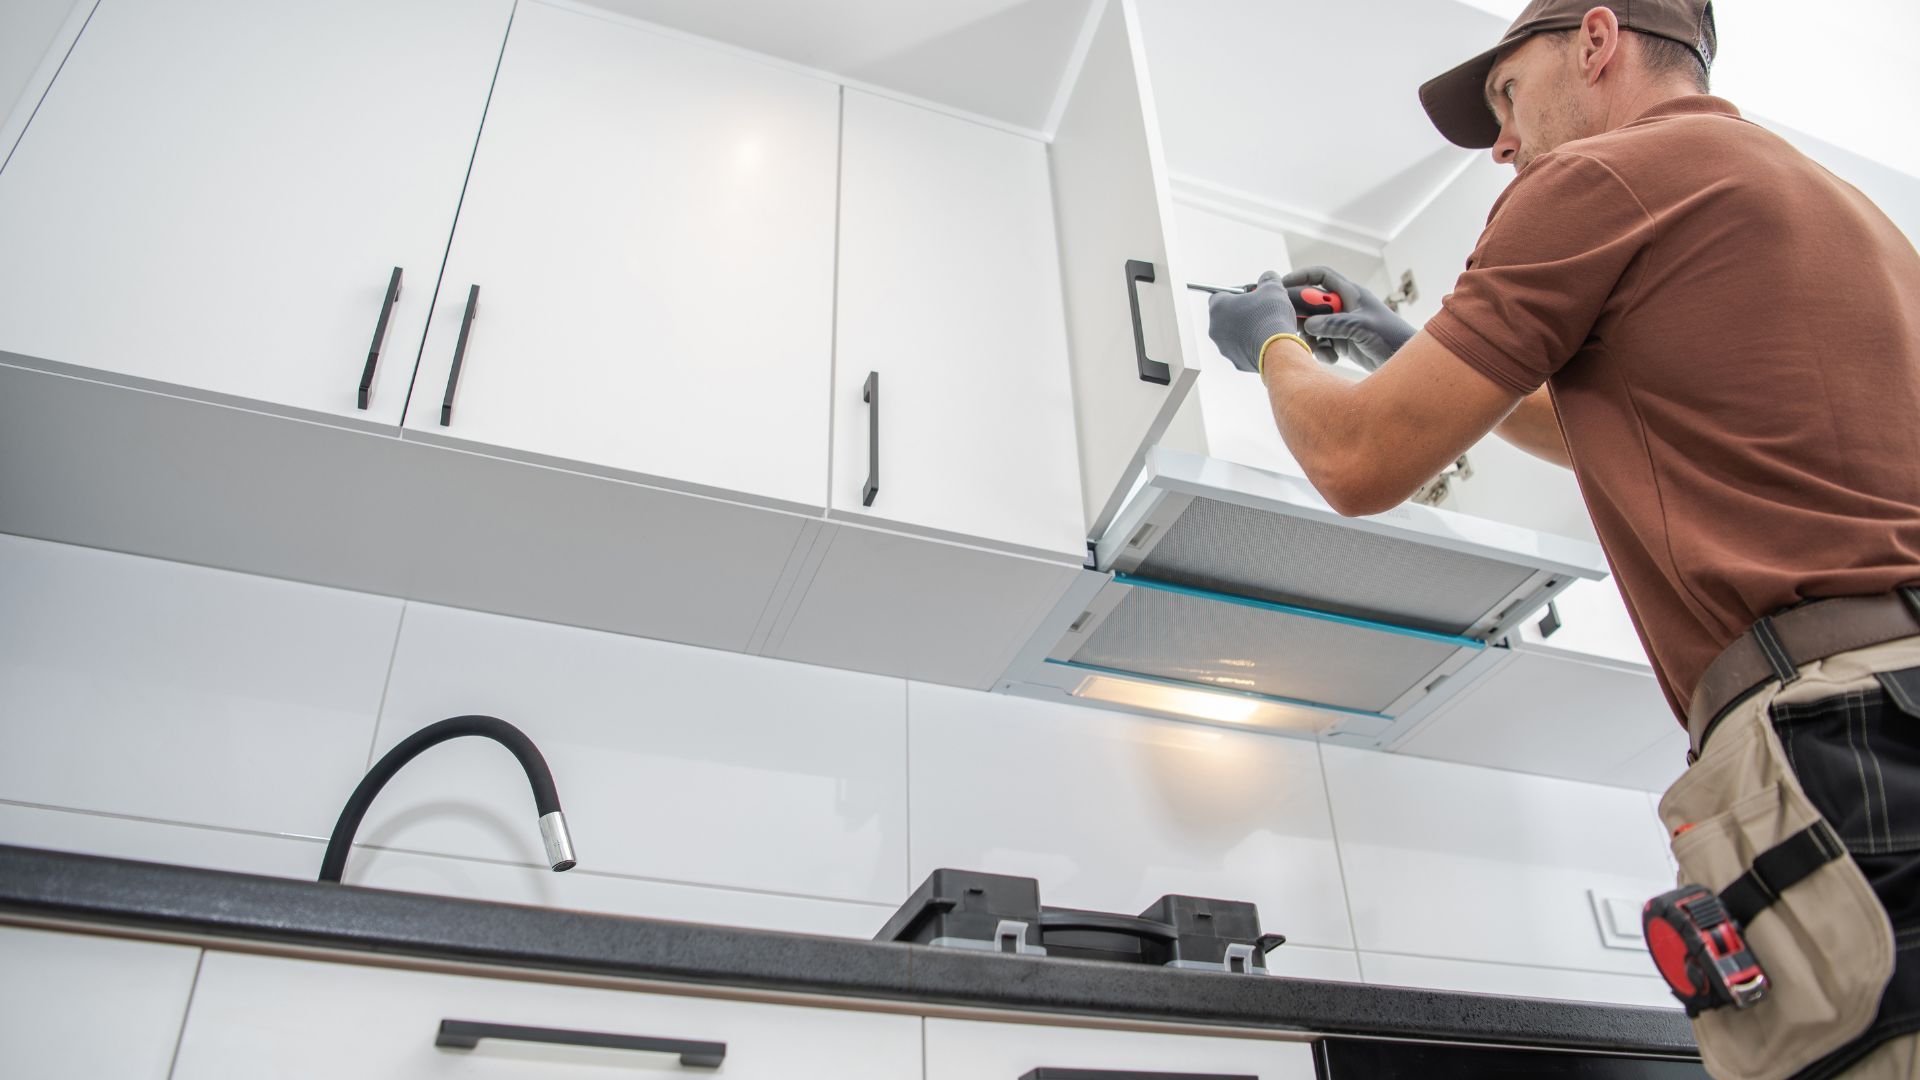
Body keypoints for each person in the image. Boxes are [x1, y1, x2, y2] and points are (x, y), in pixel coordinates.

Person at [1205, 1, 1920, 1076]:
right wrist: (1401, 345)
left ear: (1597, 40)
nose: (1502, 140)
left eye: (1505, 94)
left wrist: (1270, 347)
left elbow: (1355, 462)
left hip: (1843, 740)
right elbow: (1645, 427)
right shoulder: (1840, 210)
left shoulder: (1599, 180)